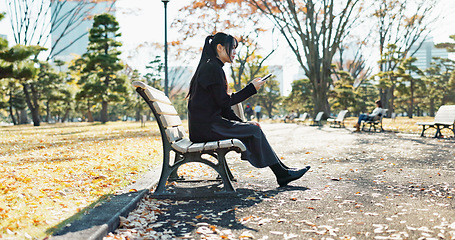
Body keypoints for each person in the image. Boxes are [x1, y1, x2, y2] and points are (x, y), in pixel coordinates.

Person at [187, 32, 310, 187]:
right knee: (254, 131)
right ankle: (282, 173)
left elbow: (223, 106)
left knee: (252, 129)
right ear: (219, 48)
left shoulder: (211, 67)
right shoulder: (212, 68)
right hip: (207, 128)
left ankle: (283, 171)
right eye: (232, 48)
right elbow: (225, 101)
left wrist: (243, 124)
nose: (235, 52)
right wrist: (251, 88)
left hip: (206, 126)